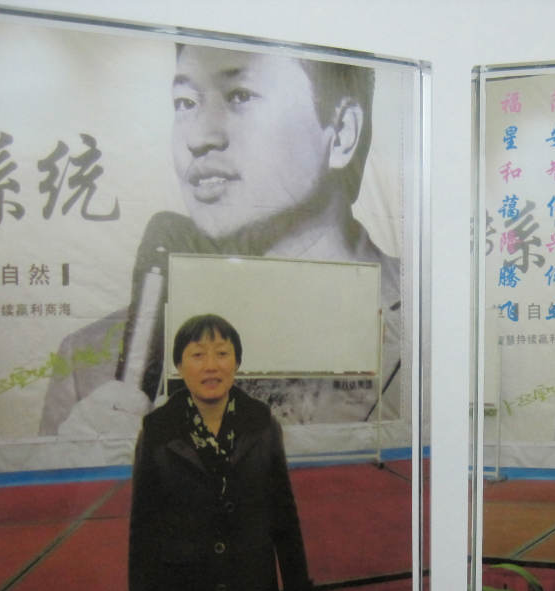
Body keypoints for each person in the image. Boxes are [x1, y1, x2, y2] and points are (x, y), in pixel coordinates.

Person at [40, 43, 401, 436]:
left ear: (343, 132)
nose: (198, 137)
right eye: (185, 102)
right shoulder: (90, 365)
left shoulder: (426, 321)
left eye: (240, 96)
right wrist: (84, 468)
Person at [128, 314, 313, 591]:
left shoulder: (261, 422)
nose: (211, 365)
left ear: (236, 362)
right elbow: (144, 533)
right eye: (197, 354)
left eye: (222, 353)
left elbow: (284, 515)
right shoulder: (158, 430)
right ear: (180, 366)